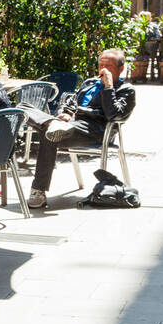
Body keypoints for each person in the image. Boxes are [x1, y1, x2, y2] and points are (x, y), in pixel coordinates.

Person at [27, 49, 136, 210]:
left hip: (94, 130)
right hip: (70, 125)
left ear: (121, 68)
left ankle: (38, 190)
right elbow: (70, 101)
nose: (103, 69)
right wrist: (66, 113)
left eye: (108, 66)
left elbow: (114, 115)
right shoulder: (89, 83)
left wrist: (108, 87)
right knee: (24, 108)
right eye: (101, 65)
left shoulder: (126, 90)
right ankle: (53, 125)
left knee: (48, 134)